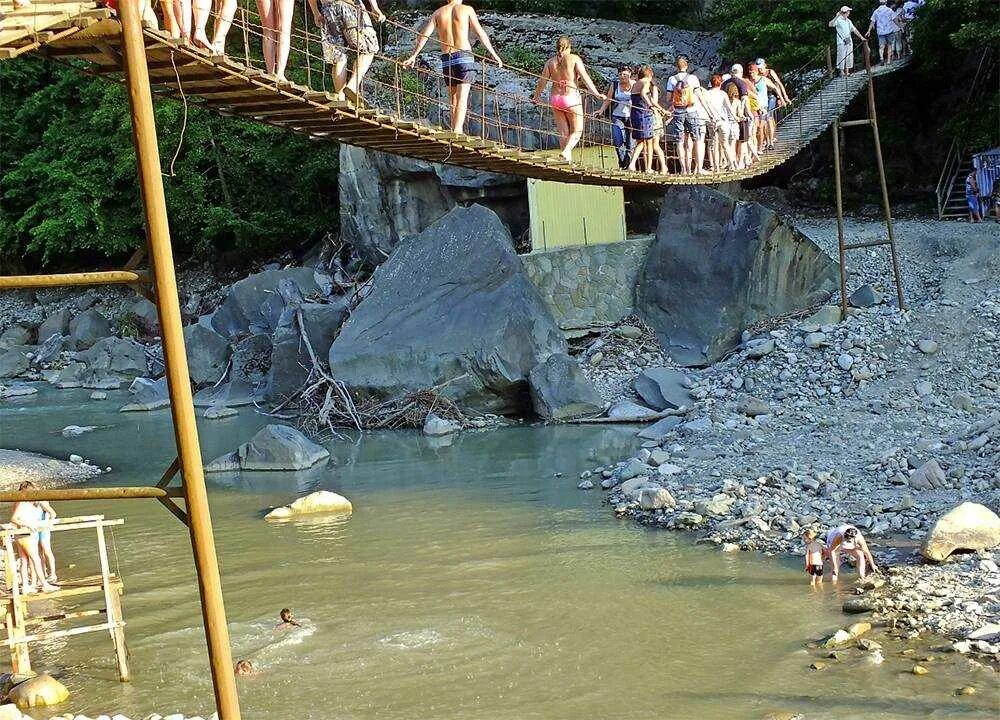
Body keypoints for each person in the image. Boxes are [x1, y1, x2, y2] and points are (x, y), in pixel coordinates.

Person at [402, 1, 503, 135]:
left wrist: (413, 55)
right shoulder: (466, 9)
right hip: (464, 56)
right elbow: (480, 33)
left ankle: (453, 129)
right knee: (462, 97)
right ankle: (457, 130)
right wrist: (494, 55)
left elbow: (424, 35)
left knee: (453, 98)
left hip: (447, 60)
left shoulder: (438, 13)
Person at [531, 36, 602, 163]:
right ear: (569, 47)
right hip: (571, 98)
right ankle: (566, 151)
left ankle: (565, 160)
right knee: (577, 130)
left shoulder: (550, 62)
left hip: (556, 99)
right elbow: (585, 78)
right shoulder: (574, 59)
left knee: (563, 132)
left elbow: (542, 81)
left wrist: (536, 97)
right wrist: (597, 94)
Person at [309, 0, 386, 103]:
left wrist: (315, 12)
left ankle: (340, 99)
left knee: (338, 56)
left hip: (328, 9)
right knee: (369, 48)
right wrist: (375, 8)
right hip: (350, 6)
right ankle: (352, 86)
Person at [9, 482, 58, 595]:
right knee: (35, 559)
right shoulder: (22, 502)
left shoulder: (20, 502)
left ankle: (26, 586)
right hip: (25, 534)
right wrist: (28, 524)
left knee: (24, 560)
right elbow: (14, 518)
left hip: (20, 534)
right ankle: (44, 585)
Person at [665, 55, 705, 175]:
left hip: (678, 113)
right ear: (687, 66)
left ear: (676, 67)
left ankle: (683, 169)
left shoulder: (672, 79)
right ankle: (698, 169)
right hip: (692, 111)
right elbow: (699, 97)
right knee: (697, 139)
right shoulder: (693, 78)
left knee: (680, 141)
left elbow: (668, 98)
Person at [627, 65, 668, 174]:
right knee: (649, 141)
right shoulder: (646, 82)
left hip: (635, 114)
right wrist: (652, 106)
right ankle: (648, 168)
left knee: (641, 142)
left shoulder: (635, 84)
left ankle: (632, 164)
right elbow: (643, 94)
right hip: (644, 114)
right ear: (650, 74)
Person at [594, 64, 636, 169]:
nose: (622, 76)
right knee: (618, 140)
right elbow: (608, 99)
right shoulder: (615, 84)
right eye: (620, 74)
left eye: (625, 74)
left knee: (631, 143)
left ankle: (628, 164)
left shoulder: (635, 84)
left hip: (631, 117)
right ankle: (622, 164)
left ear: (629, 74)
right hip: (617, 116)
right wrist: (601, 110)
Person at [704, 74, 738, 172]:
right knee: (725, 144)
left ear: (711, 83)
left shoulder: (707, 94)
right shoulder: (723, 94)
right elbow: (729, 108)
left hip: (712, 121)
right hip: (723, 121)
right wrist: (735, 117)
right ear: (720, 84)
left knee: (714, 144)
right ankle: (732, 165)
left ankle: (716, 167)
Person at [755, 58, 791, 144]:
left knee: (769, 116)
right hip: (763, 97)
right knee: (764, 118)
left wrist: (784, 97)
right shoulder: (758, 75)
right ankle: (767, 138)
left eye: (761, 67)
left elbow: (779, 84)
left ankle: (771, 137)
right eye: (758, 68)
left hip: (773, 95)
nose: (760, 69)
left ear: (765, 65)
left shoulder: (770, 72)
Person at [829, 6, 865, 77]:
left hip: (848, 41)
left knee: (849, 55)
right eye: (848, 12)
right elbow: (830, 24)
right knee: (841, 56)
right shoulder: (838, 20)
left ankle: (847, 72)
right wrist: (836, 16)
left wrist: (861, 37)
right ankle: (841, 72)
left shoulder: (848, 21)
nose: (849, 13)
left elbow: (854, 30)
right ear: (844, 13)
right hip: (841, 42)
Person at [866, 0, 899, 65]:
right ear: (886, 2)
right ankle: (889, 61)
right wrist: (901, 26)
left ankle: (881, 58)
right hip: (889, 30)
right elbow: (895, 20)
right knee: (889, 45)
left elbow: (872, 22)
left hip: (880, 31)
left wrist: (869, 31)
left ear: (879, 3)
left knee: (881, 47)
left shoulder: (876, 11)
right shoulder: (889, 10)